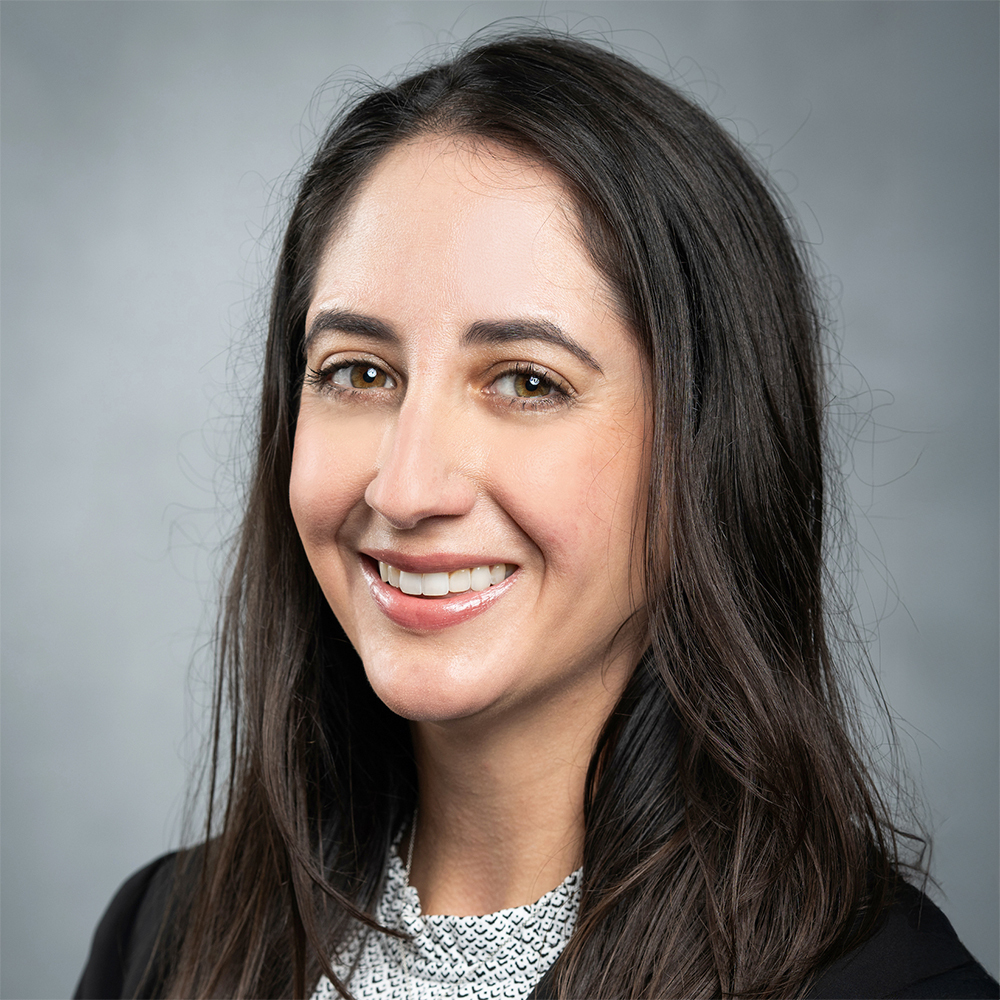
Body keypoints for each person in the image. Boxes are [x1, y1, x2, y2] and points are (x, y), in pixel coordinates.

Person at [75, 32, 998, 1000]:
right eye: (358, 372)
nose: (402, 487)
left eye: (525, 380)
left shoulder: (887, 984)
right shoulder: (161, 938)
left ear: (706, 448)